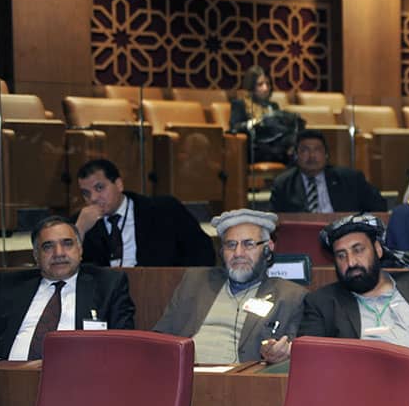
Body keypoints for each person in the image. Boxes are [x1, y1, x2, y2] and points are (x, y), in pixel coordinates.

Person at [297, 214, 409, 361]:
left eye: (358, 250)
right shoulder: (323, 303)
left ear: (378, 249)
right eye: (341, 255)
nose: (351, 262)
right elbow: (309, 358)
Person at [0, 217, 135, 360]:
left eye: (67, 244)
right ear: (36, 255)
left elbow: (123, 346)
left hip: (79, 383)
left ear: (80, 249)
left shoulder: (109, 285)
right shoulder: (10, 286)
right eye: (48, 246)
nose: (59, 253)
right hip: (10, 382)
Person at [154, 209, 305, 364]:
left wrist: (278, 353)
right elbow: (160, 337)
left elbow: (291, 352)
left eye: (249, 244)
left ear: (268, 248)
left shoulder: (290, 296)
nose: (238, 253)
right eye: (231, 245)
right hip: (184, 372)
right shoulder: (195, 282)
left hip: (240, 381)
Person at [73, 159, 216, 268]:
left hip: (159, 291)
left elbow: (202, 251)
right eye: (86, 193)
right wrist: (79, 230)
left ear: (119, 185)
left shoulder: (164, 210)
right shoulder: (81, 223)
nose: (93, 199)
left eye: (99, 188)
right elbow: (64, 270)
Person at [269, 131, 387, 213]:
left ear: (326, 155)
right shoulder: (283, 184)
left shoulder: (350, 179)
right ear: (296, 156)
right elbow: (276, 220)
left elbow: (379, 207)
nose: (311, 156)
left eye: (317, 150)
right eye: (305, 150)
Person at [228, 65, 279, 134]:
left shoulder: (273, 106)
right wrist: (255, 123)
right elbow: (234, 127)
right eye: (260, 84)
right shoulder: (240, 104)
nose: (265, 88)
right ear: (251, 87)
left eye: (268, 84)